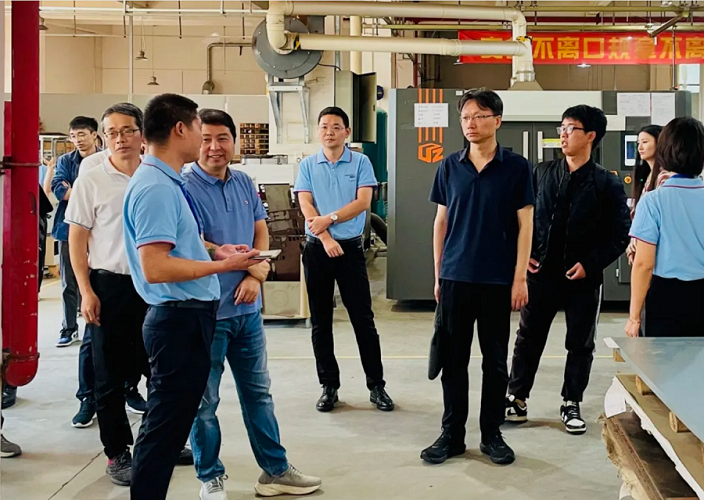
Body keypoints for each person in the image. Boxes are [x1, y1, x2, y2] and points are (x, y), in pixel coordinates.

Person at [122, 93, 260, 500]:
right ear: (180, 129)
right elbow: (156, 266)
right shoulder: (156, 188)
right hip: (177, 319)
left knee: (169, 424)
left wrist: (214, 251)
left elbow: (177, 246)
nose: (204, 138)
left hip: (186, 316)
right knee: (164, 429)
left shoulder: (166, 181)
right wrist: (225, 267)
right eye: (200, 128)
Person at [185, 109, 322, 500]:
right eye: (206, 138)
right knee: (204, 401)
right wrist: (238, 262)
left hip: (246, 311)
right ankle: (210, 476)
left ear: (235, 142)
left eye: (223, 138)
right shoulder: (184, 186)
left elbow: (260, 229)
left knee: (258, 394)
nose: (214, 147)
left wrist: (255, 276)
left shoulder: (244, 182)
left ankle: (275, 471)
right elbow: (191, 240)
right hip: (207, 311)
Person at [422, 88, 534, 466]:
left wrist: (520, 278)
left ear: (497, 121)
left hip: (497, 280)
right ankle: (452, 435)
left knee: (495, 362)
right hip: (456, 276)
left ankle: (492, 434)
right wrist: (439, 274)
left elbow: (526, 224)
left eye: (480, 116)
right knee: (453, 360)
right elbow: (440, 223)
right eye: (466, 117)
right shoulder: (449, 166)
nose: (471, 123)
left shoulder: (516, 167)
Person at [505, 105, 631, 435]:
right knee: (528, 337)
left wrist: (590, 264)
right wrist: (525, 255)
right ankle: (517, 398)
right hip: (541, 273)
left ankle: (571, 401)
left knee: (580, 343)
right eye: (561, 128)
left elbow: (620, 235)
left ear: (590, 136)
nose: (562, 134)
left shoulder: (606, 183)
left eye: (570, 128)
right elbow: (520, 219)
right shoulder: (541, 173)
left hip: (582, 277)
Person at [65, 103, 154, 486]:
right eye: (112, 132)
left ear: (142, 134)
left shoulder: (157, 175)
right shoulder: (92, 179)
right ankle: (117, 452)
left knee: (160, 369)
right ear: (104, 137)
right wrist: (86, 291)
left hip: (155, 285)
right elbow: (76, 239)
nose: (121, 139)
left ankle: (155, 442)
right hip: (109, 286)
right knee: (108, 375)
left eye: (128, 130)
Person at [293, 106, 394, 413]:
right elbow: (305, 203)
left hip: (349, 250)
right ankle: (329, 387)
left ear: (346, 132)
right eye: (324, 126)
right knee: (321, 321)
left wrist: (331, 219)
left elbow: (363, 202)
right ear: (318, 131)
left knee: (363, 319)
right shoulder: (308, 165)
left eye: (336, 126)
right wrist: (325, 237)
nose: (330, 132)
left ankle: (376, 386)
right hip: (317, 249)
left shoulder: (360, 162)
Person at [626, 117, 704, 338]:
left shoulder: (653, 201)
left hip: (666, 296)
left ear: (664, 152)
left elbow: (644, 264)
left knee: (664, 358)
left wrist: (634, 317)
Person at [51, 116, 101, 428]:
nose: (78, 139)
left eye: (82, 134)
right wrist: (83, 190)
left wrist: (77, 189)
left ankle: (129, 390)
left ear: (94, 135)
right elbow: (59, 190)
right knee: (71, 284)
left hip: (104, 238)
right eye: (73, 135)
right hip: (68, 230)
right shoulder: (67, 162)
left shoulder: (107, 161)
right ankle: (68, 327)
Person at [626, 125, 664, 266]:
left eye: (645, 142)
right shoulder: (646, 175)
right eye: (638, 143)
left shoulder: (664, 177)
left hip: (655, 249)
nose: (640, 147)